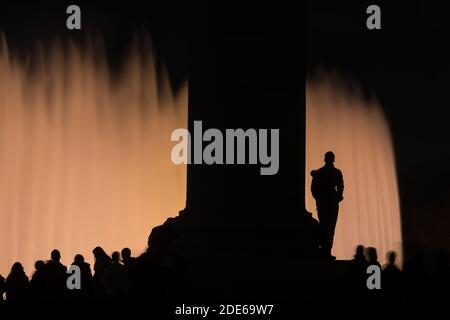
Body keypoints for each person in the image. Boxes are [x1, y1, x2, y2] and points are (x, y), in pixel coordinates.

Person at [311, 151, 344, 259]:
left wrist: (319, 200)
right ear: (333, 159)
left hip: (324, 203)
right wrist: (338, 197)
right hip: (331, 203)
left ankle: (324, 250)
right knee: (330, 227)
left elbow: (314, 189)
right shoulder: (336, 172)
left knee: (324, 226)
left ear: (325, 159)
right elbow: (341, 186)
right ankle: (326, 250)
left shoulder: (319, 172)